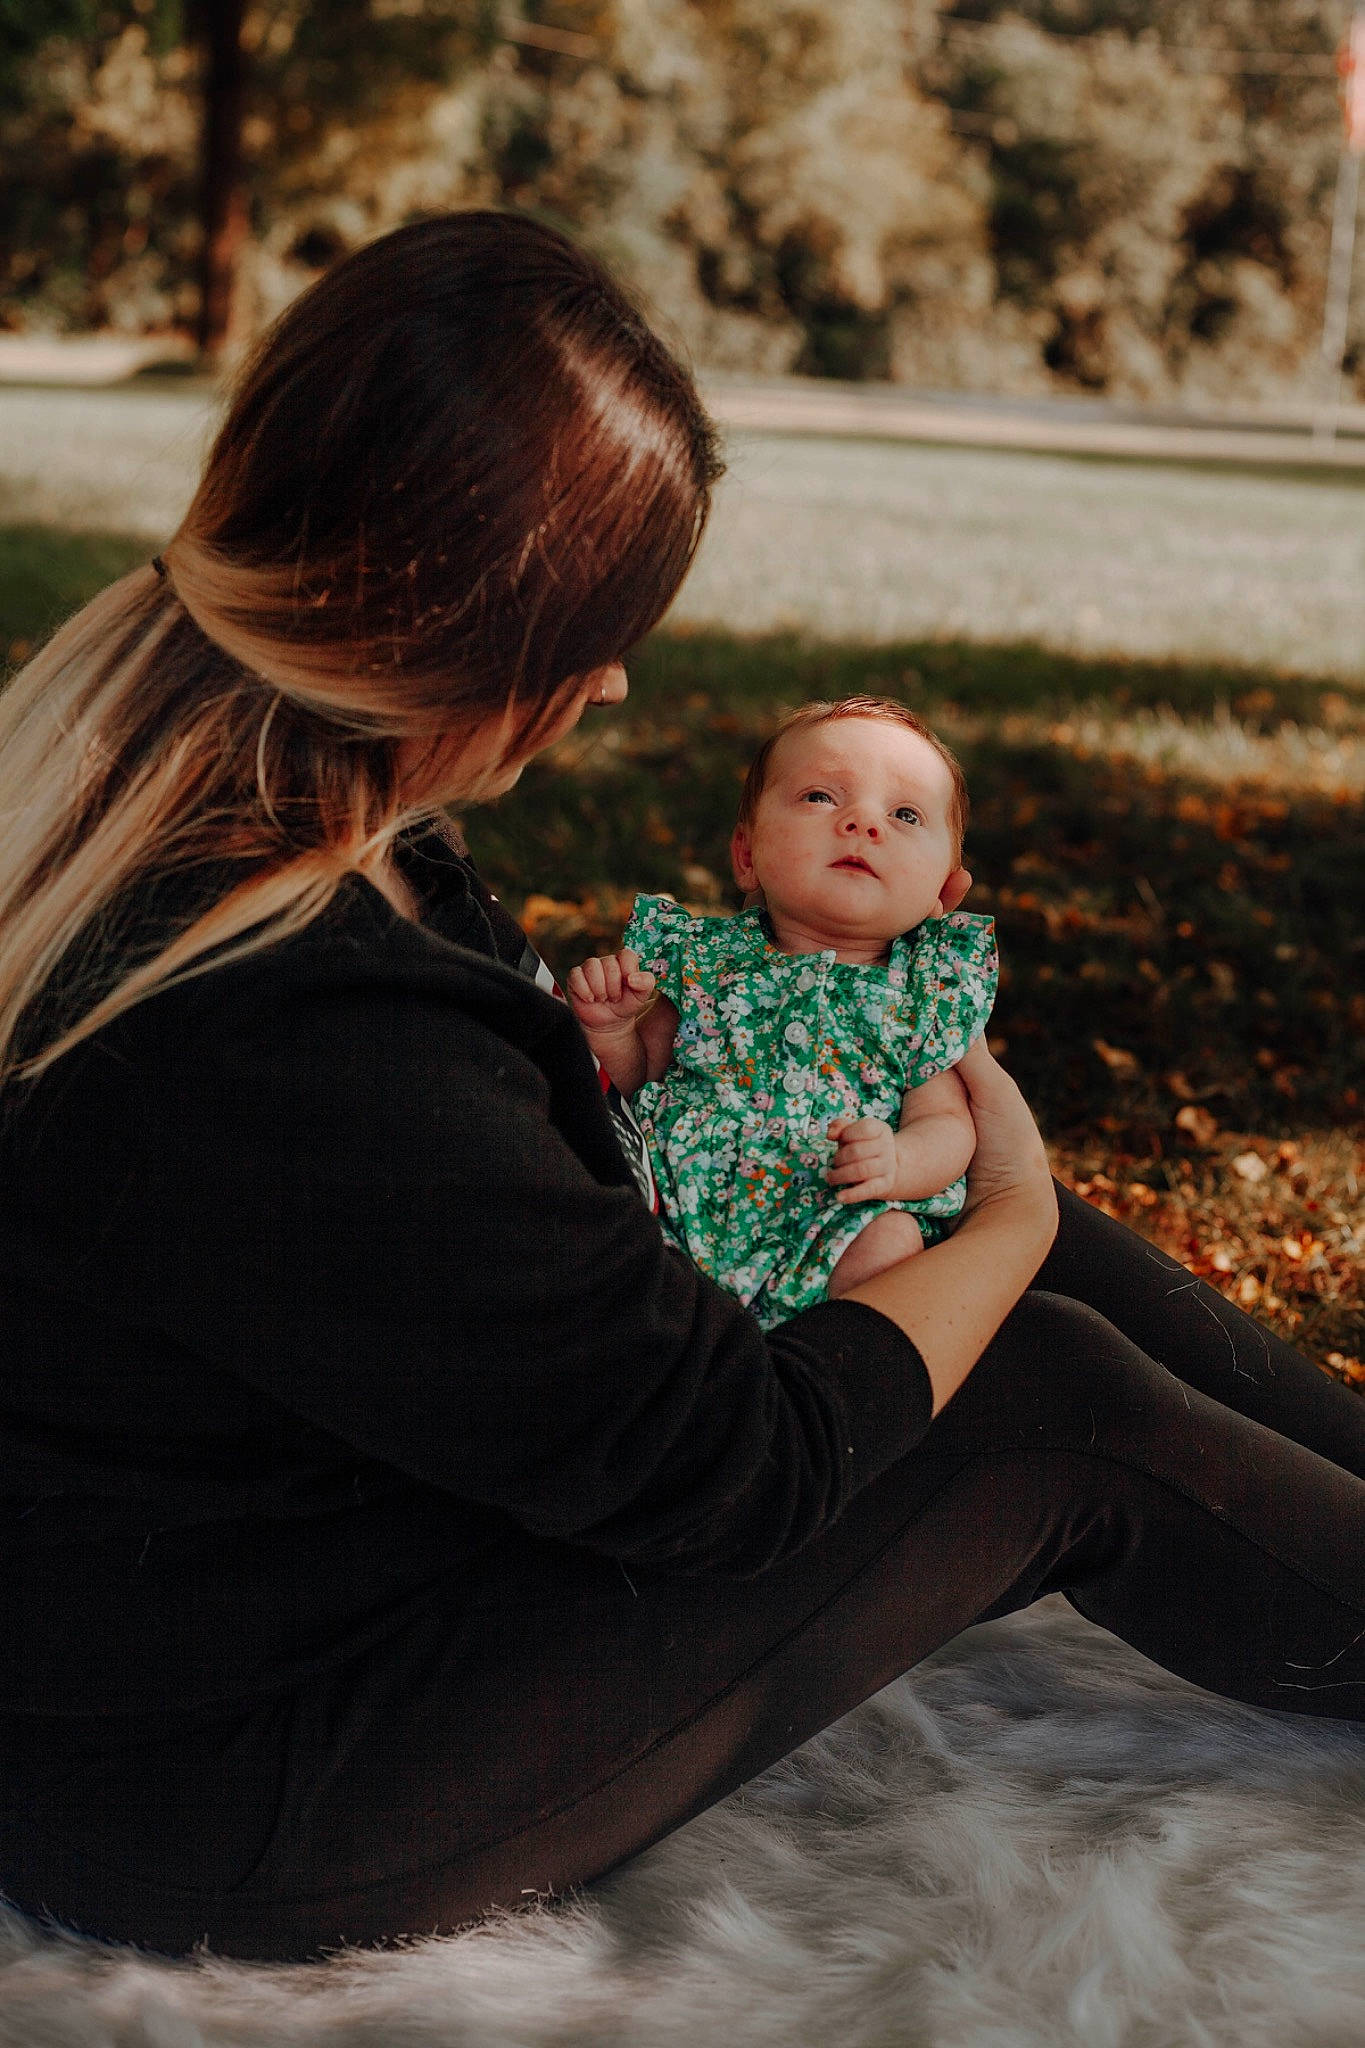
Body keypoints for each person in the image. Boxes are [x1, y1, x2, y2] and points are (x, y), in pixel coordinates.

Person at [0, 211, 1362, 1968]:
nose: (623, 678)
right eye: (606, 629)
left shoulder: (207, 784)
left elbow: (425, 1245)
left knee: (921, 1218)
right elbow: (742, 1465)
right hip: (233, 1777)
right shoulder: (292, 1006)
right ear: (480, 626)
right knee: (1040, 1383)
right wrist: (1009, 1202)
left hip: (286, 1563)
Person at [567, 699, 998, 1325]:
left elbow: (949, 1127)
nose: (862, 823)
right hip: (683, 1205)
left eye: (905, 814)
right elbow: (641, 1079)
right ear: (747, 855)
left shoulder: (923, 994)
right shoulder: (707, 963)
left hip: (834, 1220)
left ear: (944, 891)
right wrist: (612, 1031)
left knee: (894, 1245)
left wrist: (899, 1161)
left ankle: (825, 1376)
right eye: (822, 797)